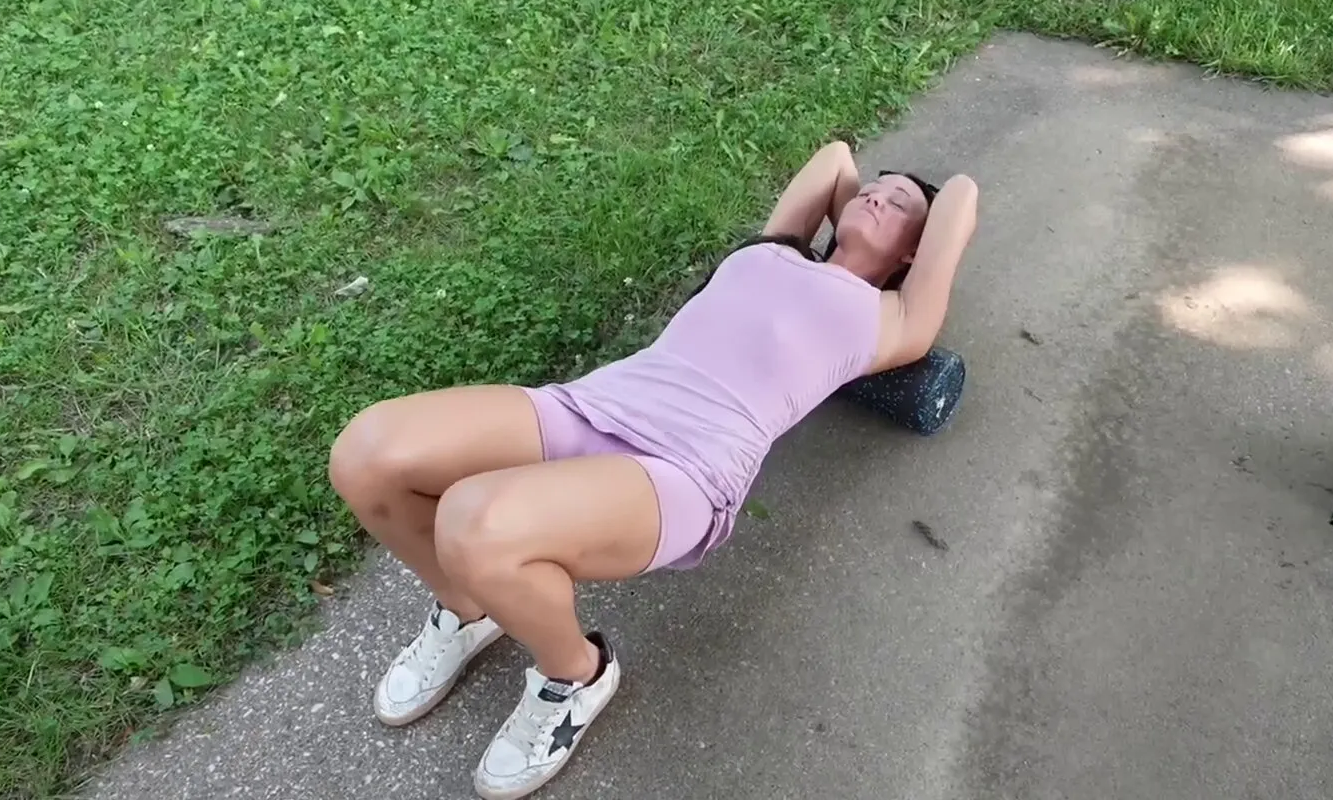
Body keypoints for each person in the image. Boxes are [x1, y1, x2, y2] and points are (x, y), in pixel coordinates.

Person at [327, 140, 979, 799]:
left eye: (898, 204)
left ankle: (575, 675)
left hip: (684, 468)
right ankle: (469, 609)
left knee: (473, 526)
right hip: (592, 405)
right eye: (873, 190)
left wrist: (898, 224)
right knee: (366, 455)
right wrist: (871, 211)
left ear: (914, 254)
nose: (874, 195)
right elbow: (836, 159)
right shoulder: (772, 251)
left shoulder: (889, 320)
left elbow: (961, 195)